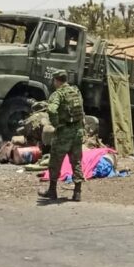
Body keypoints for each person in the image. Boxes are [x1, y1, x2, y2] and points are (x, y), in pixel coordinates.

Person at [41, 70, 85, 201]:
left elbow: (51, 109)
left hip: (64, 133)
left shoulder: (58, 94)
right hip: (77, 132)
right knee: (76, 162)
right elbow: (81, 110)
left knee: (55, 161)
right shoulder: (76, 92)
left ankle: (52, 191)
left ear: (56, 80)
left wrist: (56, 124)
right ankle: (77, 193)